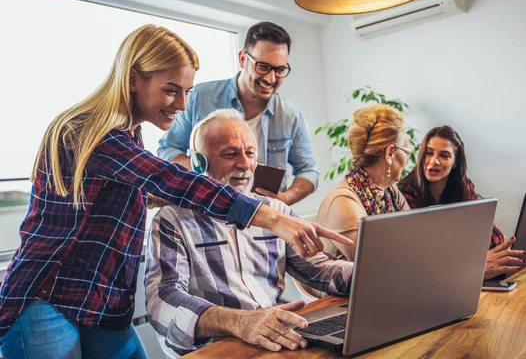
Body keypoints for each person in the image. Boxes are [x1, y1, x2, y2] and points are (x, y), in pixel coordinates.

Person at [0, 25, 350, 359]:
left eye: (187, 93)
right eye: (171, 90)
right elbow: (166, 178)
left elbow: (139, 194)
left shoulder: (130, 135)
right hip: (44, 297)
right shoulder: (86, 130)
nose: (181, 105)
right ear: (134, 78)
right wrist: (269, 215)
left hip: (99, 303)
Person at [145, 109, 353, 355]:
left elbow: (320, 269)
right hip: (216, 347)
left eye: (250, 153)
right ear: (199, 162)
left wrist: (371, 273)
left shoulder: (276, 211)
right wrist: (239, 321)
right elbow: (163, 300)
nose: (245, 164)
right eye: (230, 154)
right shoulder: (172, 221)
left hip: (276, 339)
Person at [158, 21, 318, 206]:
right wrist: (201, 171)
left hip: (265, 219)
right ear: (242, 59)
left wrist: (284, 199)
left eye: (280, 70)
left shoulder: (290, 115)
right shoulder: (199, 97)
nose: (270, 78)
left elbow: (309, 171)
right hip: (208, 212)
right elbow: (167, 150)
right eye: (263, 67)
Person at [399, 125, 526, 279]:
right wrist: (474, 261)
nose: (434, 161)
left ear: (455, 162)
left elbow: (493, 237)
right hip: (429, 278)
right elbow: (425, 252)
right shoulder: (405, 192)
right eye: (429, 153)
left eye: (444, 155)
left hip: (459, 275)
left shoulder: (464, 186)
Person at [315, 104, 411, 262]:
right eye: (406, 151)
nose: (407, 160)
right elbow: (378, 267)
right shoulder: (343, 203)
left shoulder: (390, 192)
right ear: (390, 154)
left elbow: (413, 238)